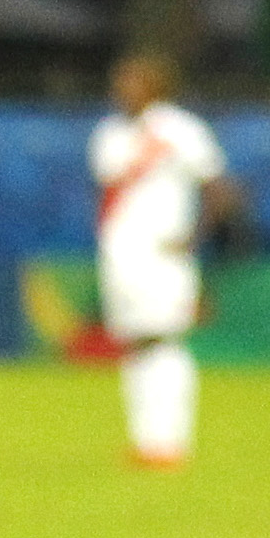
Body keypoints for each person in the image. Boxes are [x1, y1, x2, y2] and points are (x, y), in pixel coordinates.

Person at [89, 52, 231, 470]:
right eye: (120, 81)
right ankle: (145, 440)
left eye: (132, 80)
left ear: (157, 85)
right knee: (135, 342)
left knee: (166, 339)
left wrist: (194, 237)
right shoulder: (110, 134)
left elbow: (220, 189)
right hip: (120, 256)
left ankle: (171, 441)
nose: (122, 89)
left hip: (163, 254)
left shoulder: (181, 131)